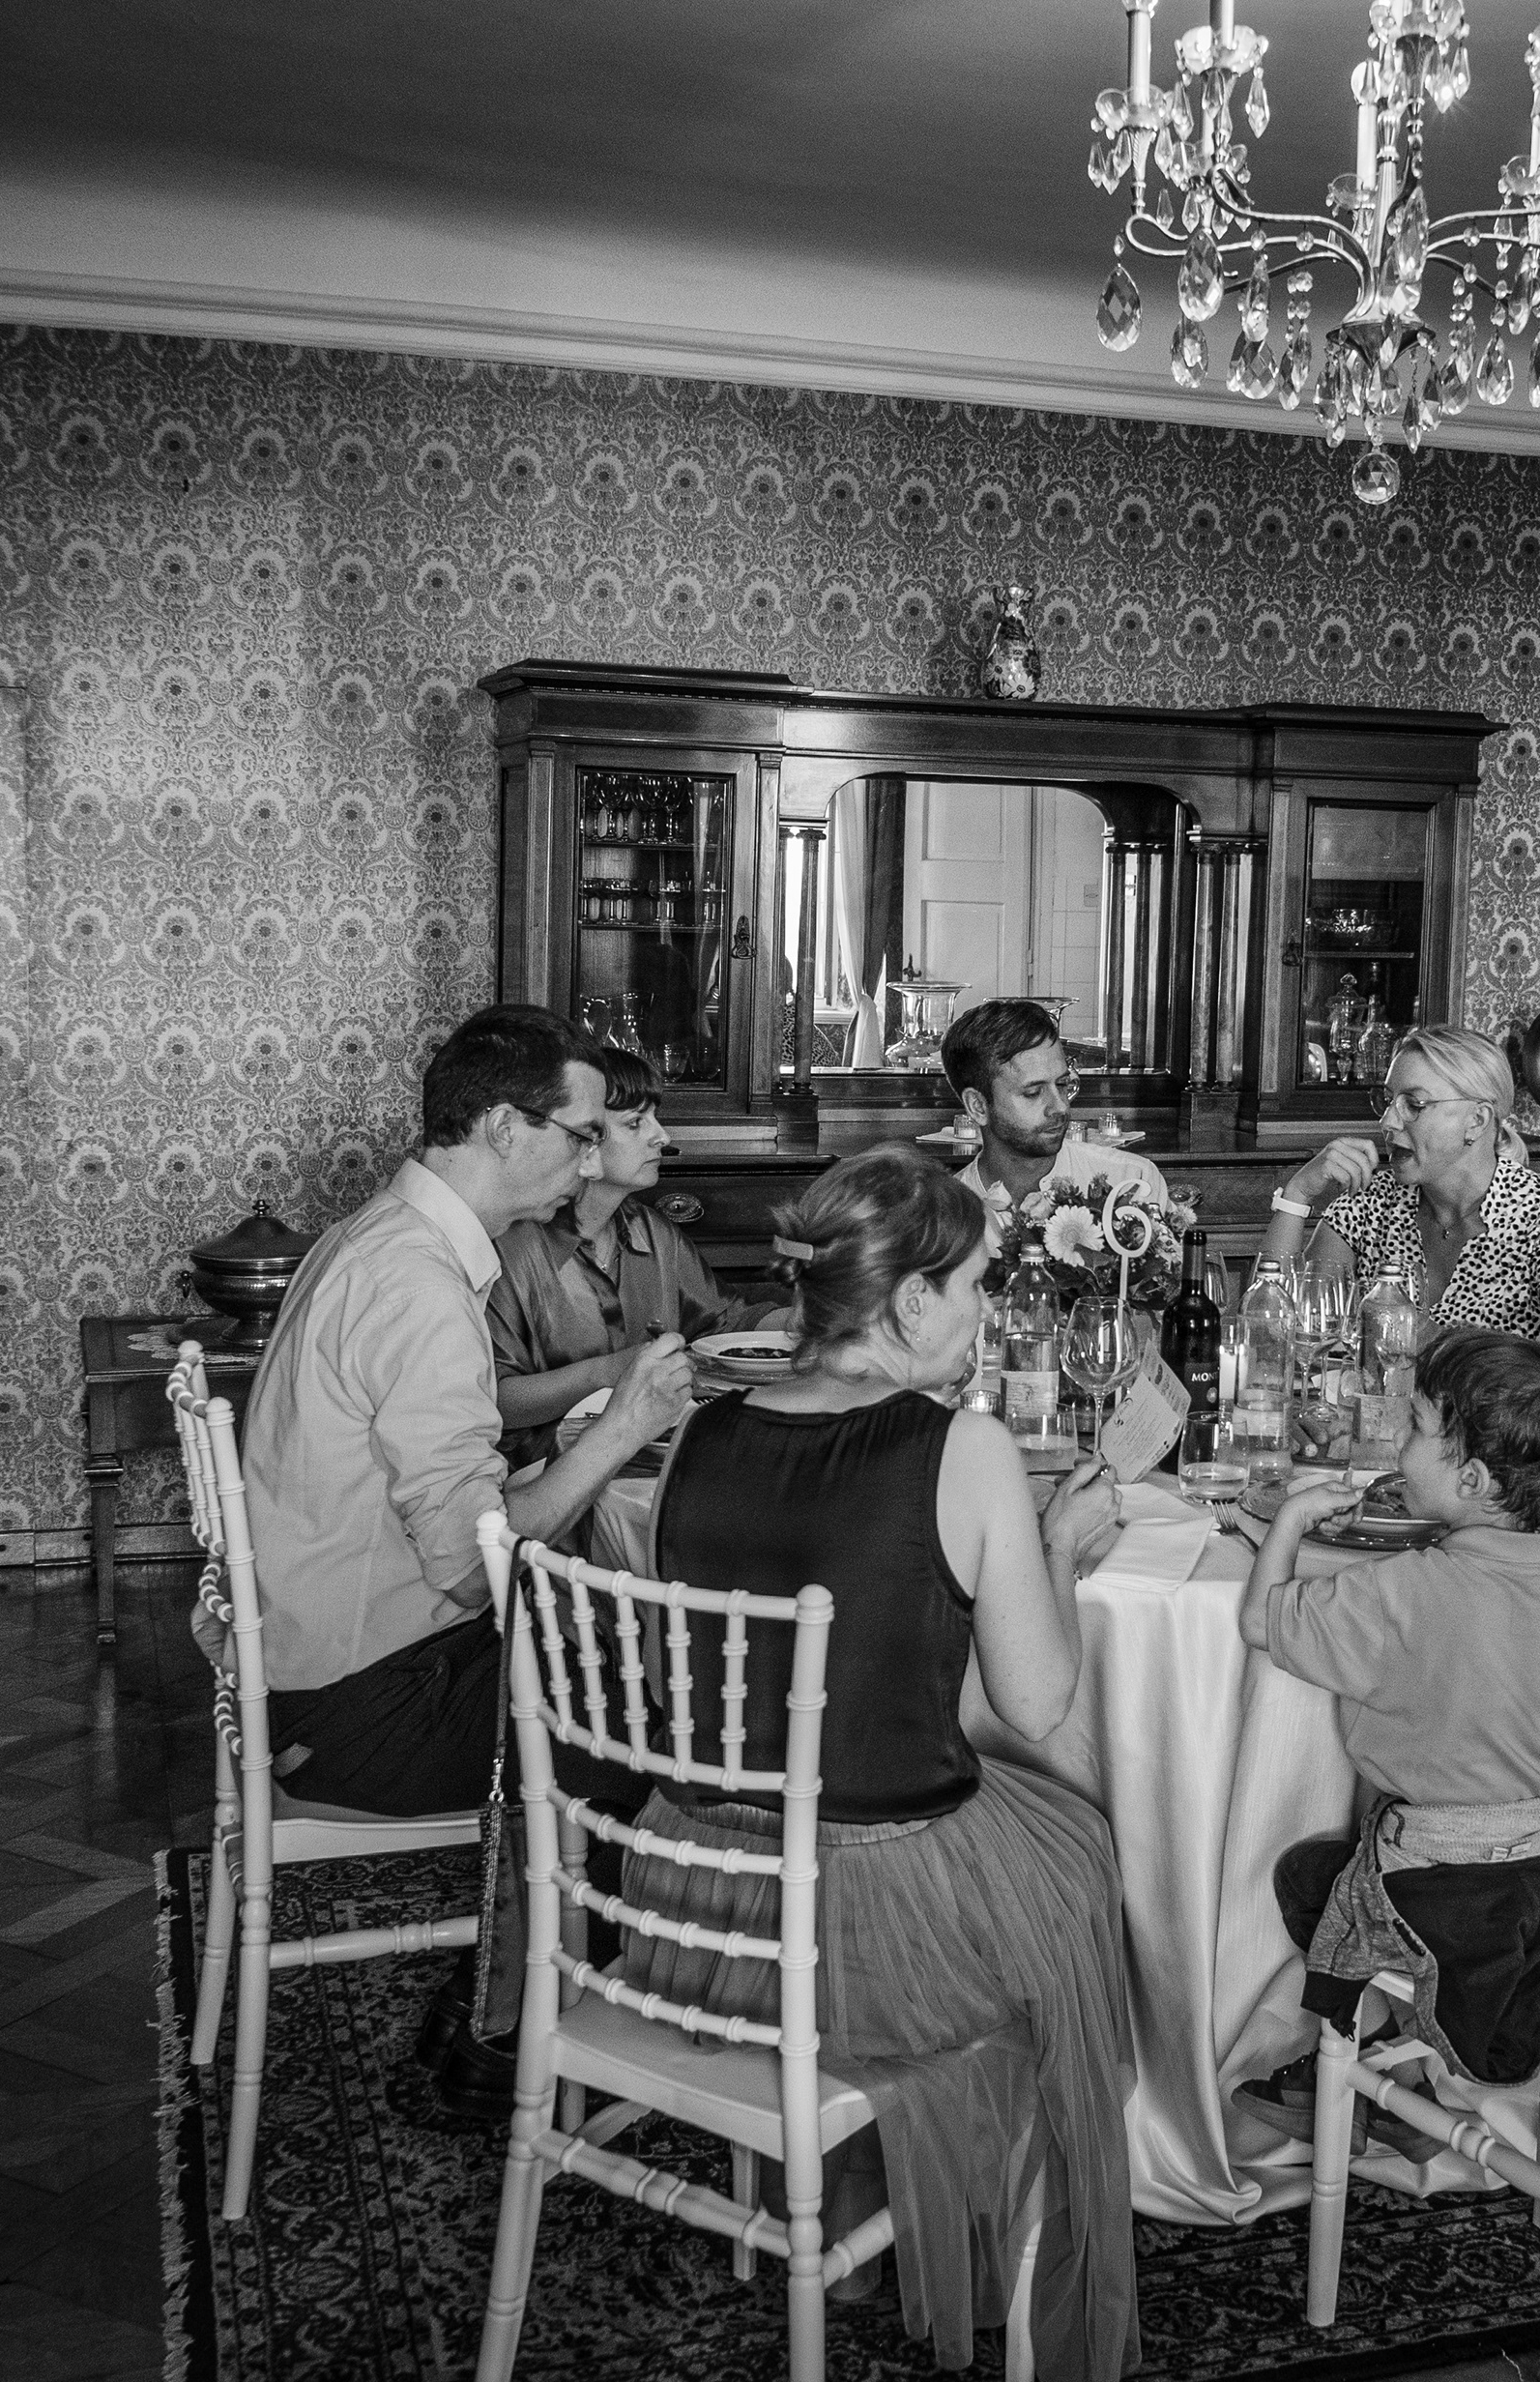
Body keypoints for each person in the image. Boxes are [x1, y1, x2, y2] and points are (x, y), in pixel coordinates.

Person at [613, 1145, 1140, 2381]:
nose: (984, 1310)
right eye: (975, 1285)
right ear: (909, 1302)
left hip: (696, 1899)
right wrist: (1061, 1549)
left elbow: (687, 1684)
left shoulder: (700, 1434)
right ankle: (987, 2224)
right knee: (1078, 1857)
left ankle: (864, 2188)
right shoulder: (963, 1448)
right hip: (871, 1900)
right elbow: (1037, 1703)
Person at [229, 1003, 694, 2111]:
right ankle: (534, 2033)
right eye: (579, 1133)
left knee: (621, 1655)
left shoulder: (383, 1237)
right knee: (661, 1713)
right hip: (361, 1706)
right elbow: (478, 1559)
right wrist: (623, 1427)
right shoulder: (418, 1284)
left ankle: (516, 1989)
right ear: (501, 1126)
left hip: (330, 1667)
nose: (593, 1157)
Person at [1230, 1332, 1540, 2152]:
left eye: (1414, 1428)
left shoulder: (1399, 1592)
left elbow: (1262, 1621)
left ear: (1471, 1480)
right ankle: (1403, 2078)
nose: (1398, 1443)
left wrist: (1291, 1519)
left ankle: (1360, 2063)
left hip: (1450, 1886)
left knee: (1307, 1877)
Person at [482, 1042, 770, 1469]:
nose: (662, 1137)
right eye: (636, 1122)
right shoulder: (512, 1247)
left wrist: (817, 1315)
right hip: (540, 1475)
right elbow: (492, 1401)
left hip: (647, 1459)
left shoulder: (653, 1232)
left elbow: (729, 1322)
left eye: (654, 1117)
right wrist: (608, 1372)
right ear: (584, 1138)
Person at [1257, 1025, 1540, 1346]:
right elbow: (1276, 1330)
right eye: (1387, 1101)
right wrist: (1297, 1194)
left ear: (1477, 1120)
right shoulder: (1368, 1204)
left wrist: (1432, 1341)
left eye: (1414, 1104)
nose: (1387, 1121)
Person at [940, 996, 1164, 1240]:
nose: (1060, 1107)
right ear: (978, 1106)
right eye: (1033, 1093)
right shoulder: (946, 1217)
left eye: (1062, 1084)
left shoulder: (1132, 1181)